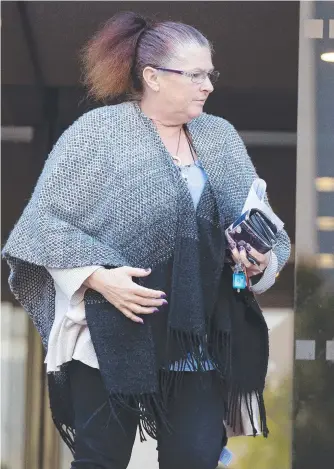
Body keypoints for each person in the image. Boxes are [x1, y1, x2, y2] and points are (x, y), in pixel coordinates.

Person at [2, 11, 291, 469]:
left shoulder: (219, 138)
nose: (208, 85)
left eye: (209, 74)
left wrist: (255, 261)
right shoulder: (97, 135)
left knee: (196, 459)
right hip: (109, 333)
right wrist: (99, 278)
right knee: (101, 459)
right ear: (152, 77)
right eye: (195, 74)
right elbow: (42, 229)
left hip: (196, 338)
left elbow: (261, 222)